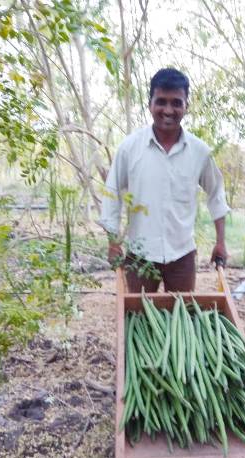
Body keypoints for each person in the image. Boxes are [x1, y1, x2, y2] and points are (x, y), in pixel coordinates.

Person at [99, 68, 230, 292]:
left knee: (181, 317)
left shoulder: (199, 152)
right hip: (139, 257)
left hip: (182, 256)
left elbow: (216, 193)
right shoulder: (130, 148)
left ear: (186, 106)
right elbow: (111, 193)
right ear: (150, 104)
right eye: (161, 101)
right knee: (139, 318)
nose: (168, 110)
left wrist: (220, 242)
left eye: (176, 102)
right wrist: (113, 242)